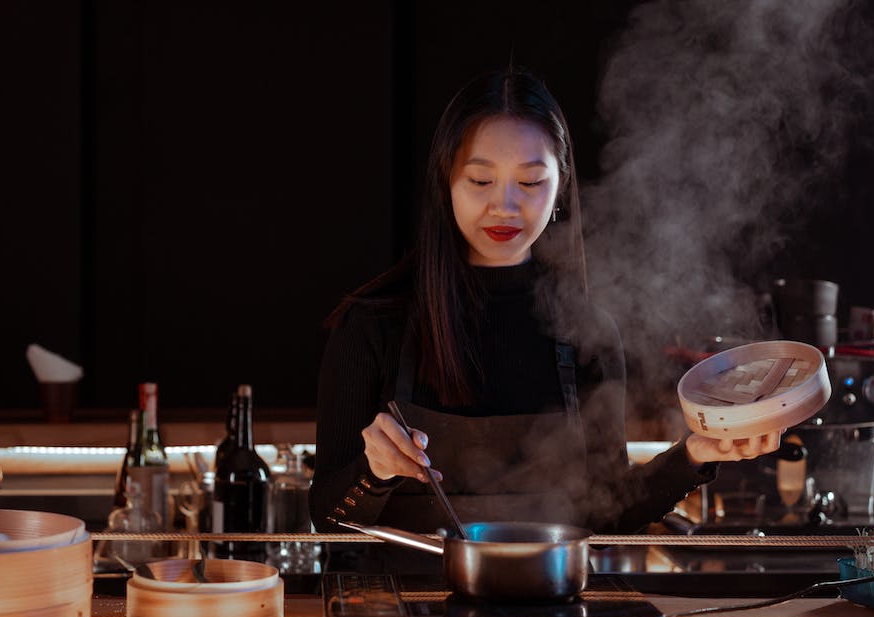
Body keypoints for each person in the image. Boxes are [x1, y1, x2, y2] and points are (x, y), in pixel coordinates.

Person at [309, 69, 782, 537]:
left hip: (548, 605)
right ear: (445, 182)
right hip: (400, 609)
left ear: (559, 188)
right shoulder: (371, 323)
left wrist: (694, 454)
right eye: (479, 181)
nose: (505, 205)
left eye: (531, 183)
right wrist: (375, 472)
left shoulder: (586, 331)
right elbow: (327, 520)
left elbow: (609, 513)